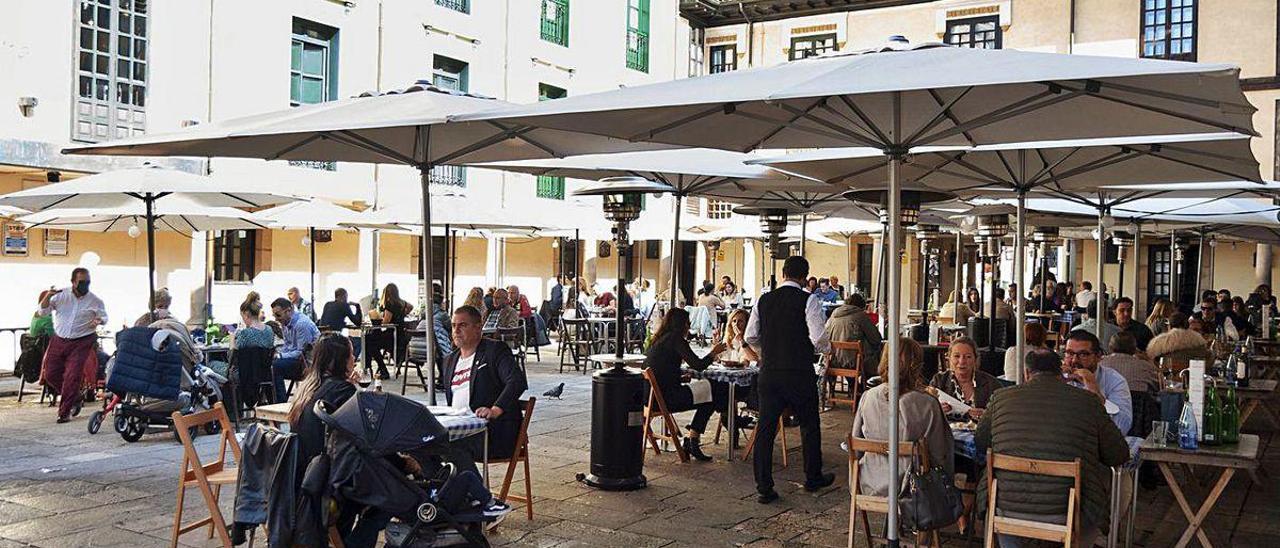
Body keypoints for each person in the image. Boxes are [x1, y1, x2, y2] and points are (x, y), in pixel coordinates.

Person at [975, 349, 1130, 548]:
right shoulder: (1088, 401)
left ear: (1026, 373)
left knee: (994, 497)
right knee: (1096, 497)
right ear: (1061, 374)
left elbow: (981, 441)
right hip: (1066, 509)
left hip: (1006, 506)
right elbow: (1118, 454)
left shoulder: (1000, 398)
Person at [286, 333, 394, 546]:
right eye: (352, 355)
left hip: (305, 483)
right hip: (329, 488)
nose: (354, 359)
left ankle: (343, 540)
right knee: (390, 496)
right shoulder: (341, 391)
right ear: (341, 361)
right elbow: (366, 438)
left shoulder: (307, 388)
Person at [744, 255, 834, 503]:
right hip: (798, 372)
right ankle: (812, 476)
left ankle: (764, 486)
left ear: (783, 273)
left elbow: (751, 336)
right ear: (805, 276)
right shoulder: (809, 300)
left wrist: (770, 349)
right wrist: (826, 349)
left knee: (766, 428)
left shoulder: (763, 300)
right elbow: (818, 338)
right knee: (809, 424)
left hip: (770, 372)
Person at [850, 337, 954, 496]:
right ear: (917, 366)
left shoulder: (867, 397)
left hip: (869, 483)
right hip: (913, 489)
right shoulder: (927, 403)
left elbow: (855, 446)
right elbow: (940, 454)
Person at [441, 305, 529, 474]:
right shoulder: (449, 360)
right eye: (453, 326)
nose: (456, 330)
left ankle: (478, 495)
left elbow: (516, 381)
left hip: (493, 432)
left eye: (462, 325)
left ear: (478, 327)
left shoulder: (495, 351)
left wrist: (495, 409)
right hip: (459, 427)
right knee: (422, 442)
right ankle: (444, 492)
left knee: (448, 446)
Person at [642, 308, 728, 461]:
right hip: (667, 399)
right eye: (688, 323)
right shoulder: (675, 339)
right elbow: (698, 364)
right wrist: (714, 352)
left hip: (650, 399)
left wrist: (680, 378)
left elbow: (661, 371)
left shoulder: (659, 340)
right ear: (682, 324)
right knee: (714, 389)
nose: (689, 327)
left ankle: (723, 418)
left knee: (710, 391)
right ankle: (694, 438)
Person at [37, 268, 108, 423]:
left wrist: (99, 321)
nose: (85, 285)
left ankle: (64, 412)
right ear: (73, 282)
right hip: (59, 339)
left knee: (72, 375)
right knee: (50, 373)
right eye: (82, 282)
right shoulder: (61, 295)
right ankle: (75, 397)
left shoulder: (95, 300)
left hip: (81, 340)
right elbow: (42, 312)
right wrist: (48, 296)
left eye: (88, 282)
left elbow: (104, 316)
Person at [1063, 331, 1133, 434]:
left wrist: (1094, 390)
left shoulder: (1115, 381)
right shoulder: (1057, 377)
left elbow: (1122, 427)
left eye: (1083, 354)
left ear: (1098, 356)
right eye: (1069, 353)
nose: (1074, 360)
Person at [931, 337, 999, 422]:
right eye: (956, 356)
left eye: (968, 357)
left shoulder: (991, 384)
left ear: (975, 359)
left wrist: (987, 415)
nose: (962, 361)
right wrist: (937, 411)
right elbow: (925, 413)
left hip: (981, 433)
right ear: (949, 358)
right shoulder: (939, 381)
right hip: (946, 433)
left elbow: (1003, 414)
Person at [270, 297, 319, 403]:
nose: (276, 319)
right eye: (275, 316)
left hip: (308, 364)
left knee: (275, 367)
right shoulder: (285, 323)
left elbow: (301, 352)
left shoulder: (302, 324)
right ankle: (273, 402)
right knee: (270, 365)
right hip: (299, 360)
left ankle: (280, 403)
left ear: (289, 311)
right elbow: (287, 346)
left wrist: (280, 356)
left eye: (278, 315)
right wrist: (278, 354)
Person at [823, 292, 882, 378]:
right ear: (861, 305)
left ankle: (852, 385)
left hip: (834, 361)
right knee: (877, 350)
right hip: (854, 362)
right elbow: (876, 338)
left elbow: (825, 335)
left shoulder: (834, 315)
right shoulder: (861, 316)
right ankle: (867, 383)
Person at [366, 283, 412, 379]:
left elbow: (385, 322)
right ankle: (374, 368)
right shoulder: (402, 303)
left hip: (391, 335)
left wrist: (378, 317)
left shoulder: (389, 304)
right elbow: (411, 306)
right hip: (400, 335)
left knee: (369, 342)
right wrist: (403, 313)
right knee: (371, 340)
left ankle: (380, 369)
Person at [1147, 312, 1213, 366]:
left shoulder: (1159, 343)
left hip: (1167, 376)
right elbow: (1208, 360)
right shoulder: (1199, 341)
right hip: (1193, 376)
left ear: (1169, 326)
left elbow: (1150, 360)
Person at [319, 288, 364, 356]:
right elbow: (357, 322)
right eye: (346, 297)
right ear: (343, 296)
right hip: (336, 338)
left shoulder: (327, 304)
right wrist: (357, 306)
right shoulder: (344, 305)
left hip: (324, 338)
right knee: (360, 342)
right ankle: (348, 363)